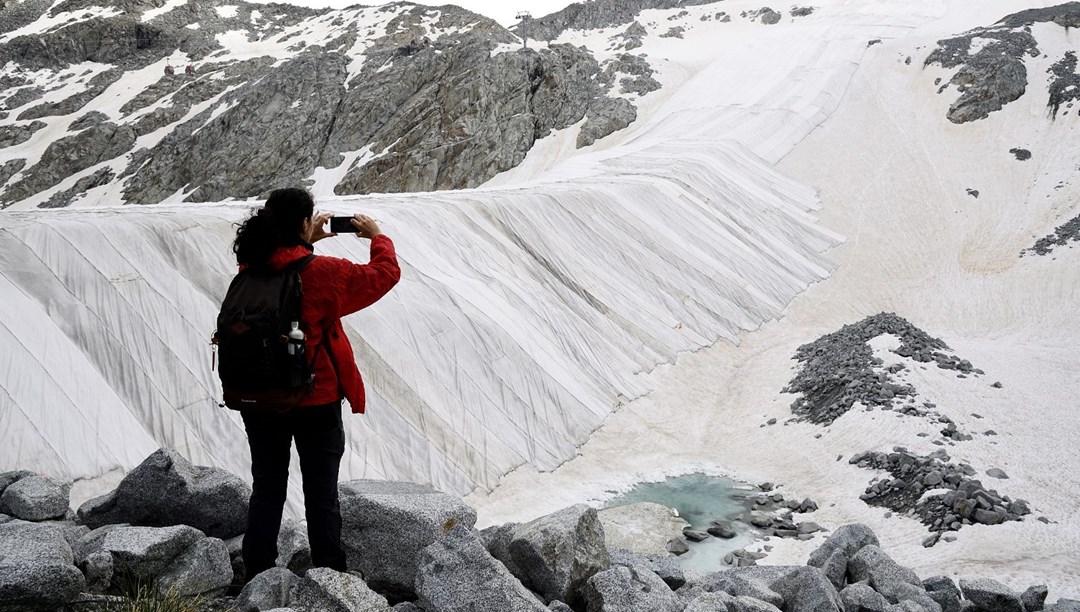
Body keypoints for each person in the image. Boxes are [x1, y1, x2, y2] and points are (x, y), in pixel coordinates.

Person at [230, 187, 400, 579]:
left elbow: (283, 266)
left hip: (260, 400)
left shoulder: (248, 271)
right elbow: (385, 274)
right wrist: (376, 237)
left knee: (267, 485)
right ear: (305, 223)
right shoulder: (326, 273)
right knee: (321, 493)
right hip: (315, 400)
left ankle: (258, 572)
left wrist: (303, 242)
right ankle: (329, 575)